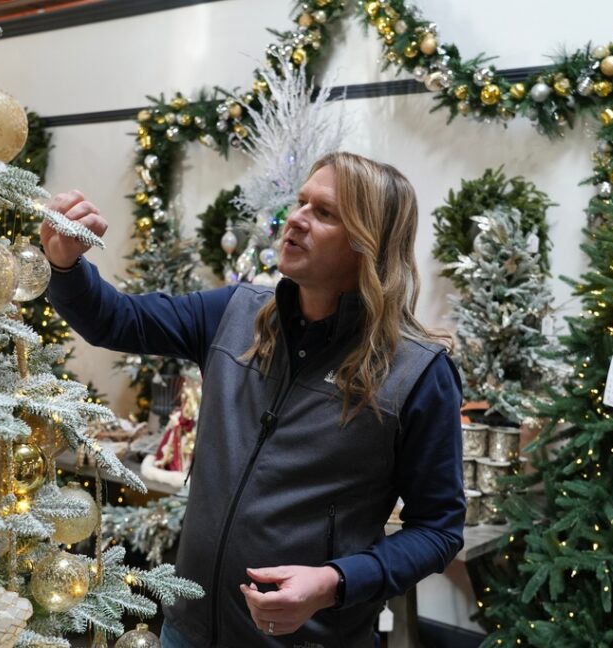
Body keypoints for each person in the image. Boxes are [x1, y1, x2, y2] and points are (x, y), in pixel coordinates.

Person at [41, 151, 465, 648]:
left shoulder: (417, 373)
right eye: (300, 203)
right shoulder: (235, 313)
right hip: (190, 628)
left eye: (324, 213)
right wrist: (66, 266)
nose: (296, 219)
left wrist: (335, 582)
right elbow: (117, 320)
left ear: (367, 245)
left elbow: (437, 530)